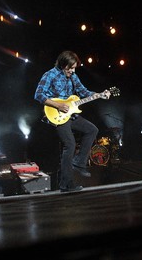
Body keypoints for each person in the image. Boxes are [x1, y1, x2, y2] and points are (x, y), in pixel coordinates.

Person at [34, 50, 111, 192]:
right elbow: (38, 95)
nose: (73, 71)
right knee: (70, 144)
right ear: (63, 65)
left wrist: (100, 94)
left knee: (92, 129)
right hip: (56, 115)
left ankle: (79, 162)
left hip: (71, 114)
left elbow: (84, 92)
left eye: (74, 68)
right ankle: (66, 184)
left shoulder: (73, 76)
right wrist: (58, 105)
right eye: (71, 68)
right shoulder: (50, 75)